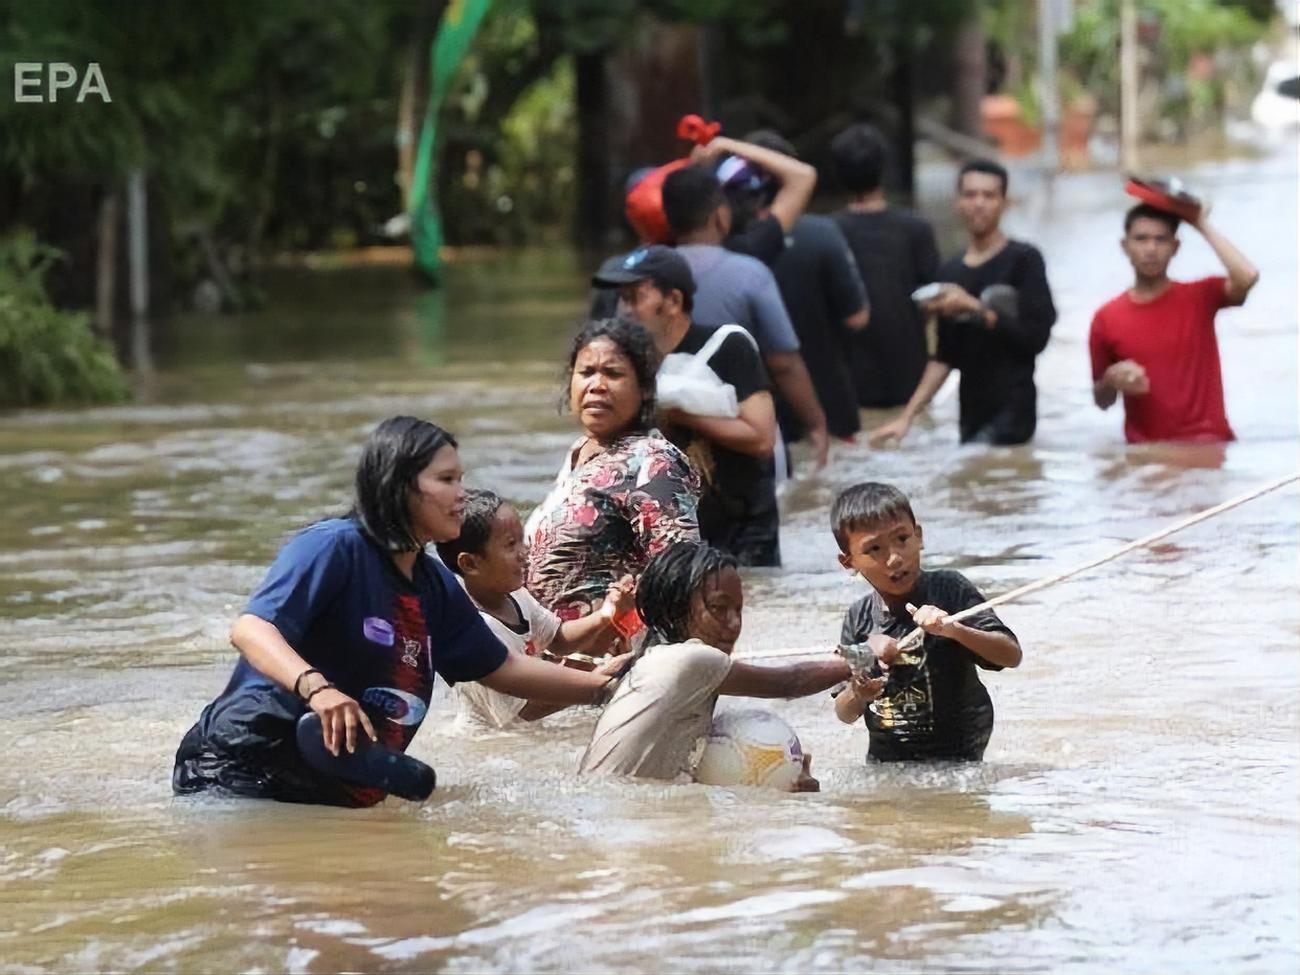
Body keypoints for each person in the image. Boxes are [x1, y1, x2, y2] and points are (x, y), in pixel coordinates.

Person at [173, 416, 626, 807]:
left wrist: (607, 687)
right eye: (447, 480)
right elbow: (251, 628)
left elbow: (502, 667)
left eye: (461, 479)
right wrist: (319, 690)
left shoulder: (432, 585)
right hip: (240, 772)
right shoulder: (334, 547)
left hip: (336, 785)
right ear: (399, 486)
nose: (462, 495)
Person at [580, 540, 850, 786]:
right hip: (620, 813)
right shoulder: (692, 660)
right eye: (718, 609)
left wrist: (782, 785)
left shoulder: (652, 661)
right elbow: (789, 682)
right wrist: (864, 657)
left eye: (739, 610)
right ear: (675, 610)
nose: (734, 624)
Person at [593, 246, 782, 566]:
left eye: (635, 296)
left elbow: (762, 439)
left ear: (674, 301)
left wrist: (679, 414)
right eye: (621, 298)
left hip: (743, 523)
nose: (624, 310)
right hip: (673, 526)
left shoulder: (727, 346)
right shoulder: (625, 364)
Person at [869, 159, 1057, 447]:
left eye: (989, 195)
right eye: (970, 195)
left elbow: (1036, 339)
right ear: (958, 203)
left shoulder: (1025, 260)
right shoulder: (951, 272)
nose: (978, 203)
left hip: (1014, 418)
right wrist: (907, 417)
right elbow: (945, 357)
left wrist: (975, 308)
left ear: (1004, 203)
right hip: (970, 417)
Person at [829, 482, 1022, 762]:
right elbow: (844, 712)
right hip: (888, 762)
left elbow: (1011, 655)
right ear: (849, 563)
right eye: (875, 549)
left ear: (918, 536)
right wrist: (860, 692)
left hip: (960, 759)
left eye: (902, 539)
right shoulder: (859, 618)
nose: (895, 558)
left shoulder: (949, 589)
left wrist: (953, 630)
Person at [526, 318, 701, 625]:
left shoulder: (652, 460)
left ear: (645, 388)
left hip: (612, 655)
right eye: (587, 372)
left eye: (613, 373)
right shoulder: (579, 452)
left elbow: (680, 574)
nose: (597, 385)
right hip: (556, 652)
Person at [662, 163, 832, 469]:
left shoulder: (641, 281)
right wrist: (816, 423)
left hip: (663, 432)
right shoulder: (749, 273)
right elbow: (784, 363)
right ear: (721, 215)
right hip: (741, 430)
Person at [436, 489, 634, 729]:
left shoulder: (515, 595)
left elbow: (559, 639)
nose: (524, 552)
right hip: (492, 741)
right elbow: (524, 712)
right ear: (470, 563)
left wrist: (607, 614)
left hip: (524, 730)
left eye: (521, 539)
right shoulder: (477, 629)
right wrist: (594, 680)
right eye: (511, 545)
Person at [1089, 202, 1260, 443]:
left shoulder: (1201, 296)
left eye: (1161, 240)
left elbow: (1247, 276)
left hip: (1210, 445)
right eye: (1141, 239)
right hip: (1147, 456)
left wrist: (1200, 223)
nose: (1151, 249)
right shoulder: (1106, 318)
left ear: (1176, 246)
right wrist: (1112, 380)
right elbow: (1102, 401)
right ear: (1125, 246)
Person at [739, 129, 870, 442]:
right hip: (829, 403)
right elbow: (857, 317)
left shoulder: (728, 245)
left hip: (753, 414)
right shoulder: (824, 233)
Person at [829, 122, 940, 409]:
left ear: (838, 174)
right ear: (885, 170)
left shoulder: (827, 233)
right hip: (911, 380)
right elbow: (932, 304)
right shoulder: (917, 229)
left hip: (849, 382)